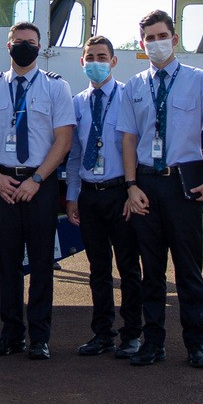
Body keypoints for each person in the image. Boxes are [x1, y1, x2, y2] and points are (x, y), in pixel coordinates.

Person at [118, 10, 203, 369]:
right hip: (146, 184)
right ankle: (153, 343)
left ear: (174, 39)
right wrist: (131, 186)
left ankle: (196, 343)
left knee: (189, 268)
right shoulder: (134, 86)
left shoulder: (199, 80)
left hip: (183, 184)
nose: (156, 43)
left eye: (162, 36)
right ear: (142, 43)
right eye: (149, 38)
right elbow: (128, 139)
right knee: (151, 270)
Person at [0, 22, 74, 360]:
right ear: (8, 45)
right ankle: (11, 334)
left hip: (40, 185)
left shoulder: (56, 87)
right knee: (8, 263)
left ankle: (40, 338)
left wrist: (38, 179)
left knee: (42, 262)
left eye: (31, 42)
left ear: (40, 47)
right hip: (3, 184)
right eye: (19, 41)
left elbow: (64, 140)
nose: (25, 47)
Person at [65, 35, 143, 359]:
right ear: (82, 62)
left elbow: (136, 148)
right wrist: (72, 196)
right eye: (90, 57)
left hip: (119, 193)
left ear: (113, 61)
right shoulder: (77, 102)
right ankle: (102, 334)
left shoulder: (127, 97)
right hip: (90, 195)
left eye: (101, 57)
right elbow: (74, 154)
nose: (95, 62)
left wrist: (132, 189)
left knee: (128, 267)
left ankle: (132, 334)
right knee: (98, 269)